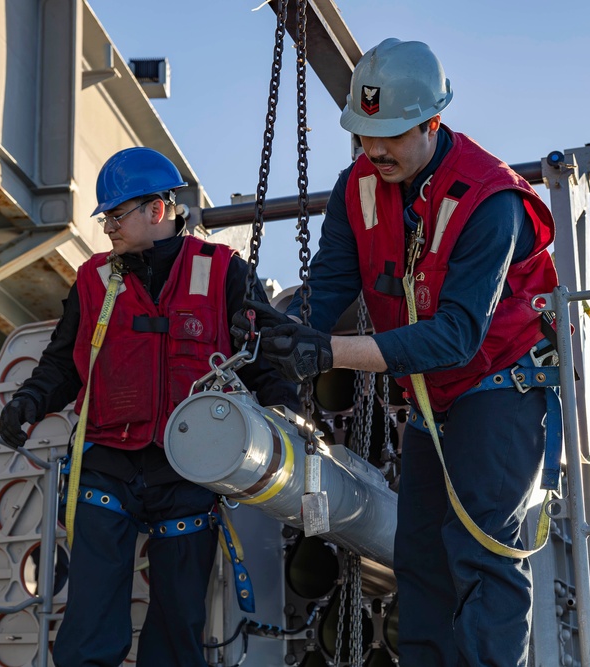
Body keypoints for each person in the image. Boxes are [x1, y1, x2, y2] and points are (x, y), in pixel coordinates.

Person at [234, 39, 559, 666]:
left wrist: (327, 352)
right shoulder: (357, 186)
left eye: (389, 136)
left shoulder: (492, 203)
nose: (373, 150)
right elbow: (329, 283)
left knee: (483, 556)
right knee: (421, 561)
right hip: (430, 402)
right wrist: (278, 337)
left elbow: (456, 335)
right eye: (362, 134)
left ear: (432, 123)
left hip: (498, 390)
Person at [0, 147, 299, 667]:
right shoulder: (94, 280)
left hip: (189, 473)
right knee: (89, 622)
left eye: (115, 215)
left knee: (179, 626)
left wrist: (288, 419)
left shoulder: (225, 273)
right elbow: (63, 364)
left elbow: (264, 362)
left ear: (156, 210)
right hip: (105, 467)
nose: (107, 227)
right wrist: (28, 400)